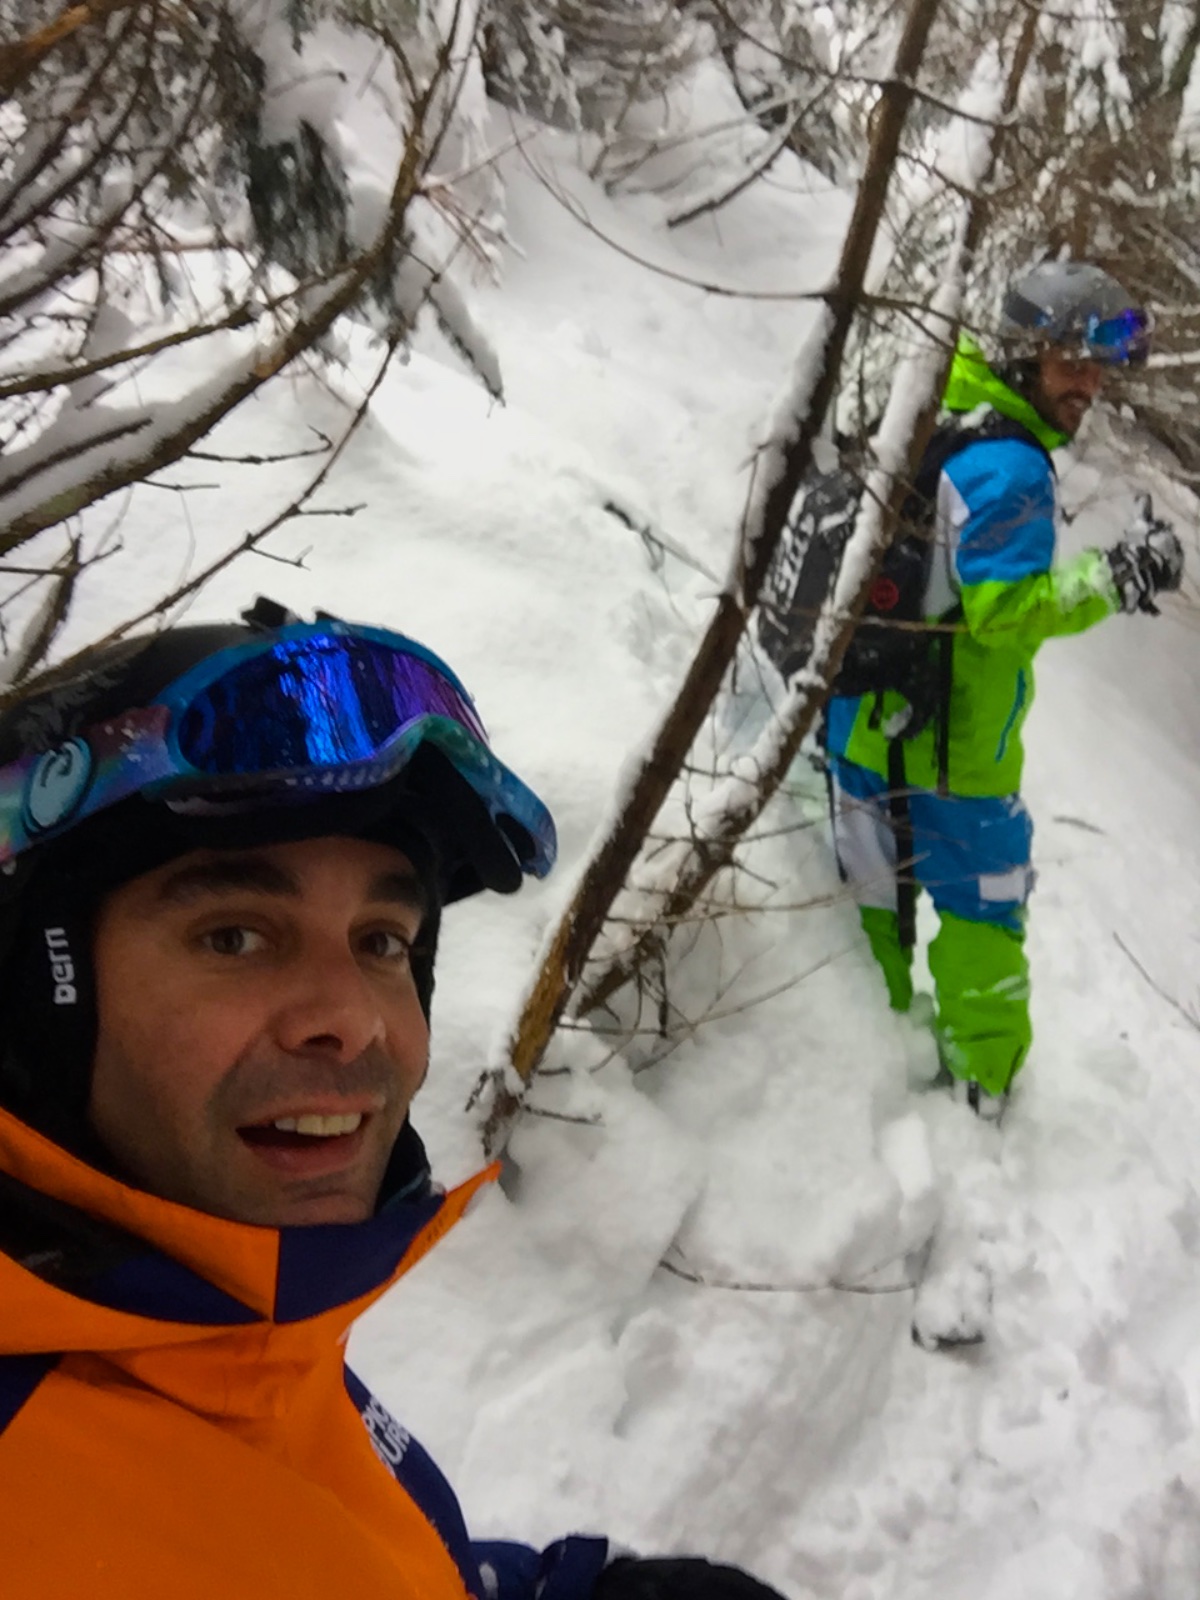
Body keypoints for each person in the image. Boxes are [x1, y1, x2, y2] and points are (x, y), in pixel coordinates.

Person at [0, 598, 786, 1600]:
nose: (356, 1022)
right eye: (234, 936)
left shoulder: (217, 1337)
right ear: (36, 992)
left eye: (382, 942)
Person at [824, 260, 1185, 1119]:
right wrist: (1120, 575)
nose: (1089, 384)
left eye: (1099, 367)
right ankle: (981, 1092)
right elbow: (1004, 613)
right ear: (1025, 355)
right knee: (985, 925)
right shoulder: (1012, 467)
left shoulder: (939, 406)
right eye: (1071, 362)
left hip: (857, 716)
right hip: (952, 755)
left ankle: (854, 1081)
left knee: (864, 919)